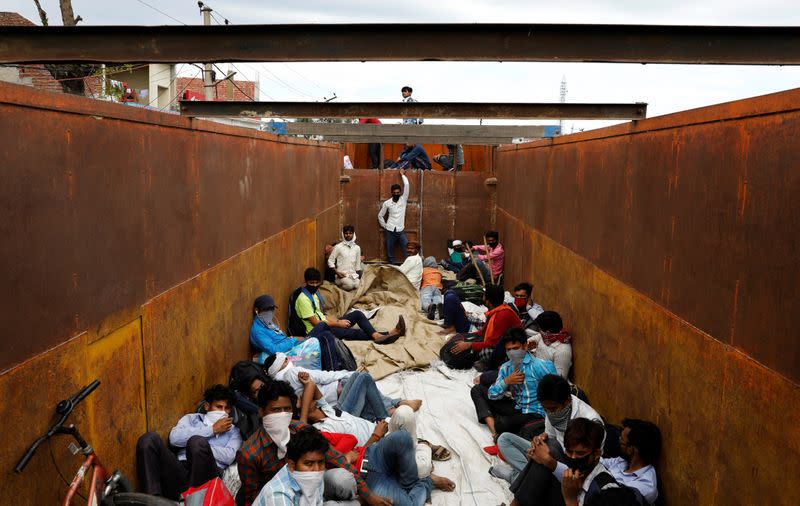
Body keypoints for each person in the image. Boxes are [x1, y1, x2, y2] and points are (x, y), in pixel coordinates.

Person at [300, 379, 455, 504]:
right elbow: (333, 474)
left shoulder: (326, 413)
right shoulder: (313, 436)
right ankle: (425, 479)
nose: (302, 398)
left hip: (375, 449)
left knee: (404, 422)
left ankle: (412, 478)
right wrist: (345, 458)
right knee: (411, 498)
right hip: (369, 479)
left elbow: (350, 439)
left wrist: (344, 456)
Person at [237, 380, 392, 506]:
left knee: (343, 478)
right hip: (284, 497)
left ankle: (360, 500)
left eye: (287, 410)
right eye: (276, 410)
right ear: (262, 412)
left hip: (314, 485)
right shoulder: (250, 453)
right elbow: (253, 497)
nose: (282, 415)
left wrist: (370, 496)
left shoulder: (301, 430)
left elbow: (336, 458)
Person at [136, 385, 242, 500]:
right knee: (149, 440)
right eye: (219, 407)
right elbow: (174, 439)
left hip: (209, 477)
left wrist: (202, 447)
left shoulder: (234, 432)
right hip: (181, 471)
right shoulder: (192, 419)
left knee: (197, 443)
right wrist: (212, 430)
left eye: (226, 408)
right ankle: (154, 500)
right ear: (207, 406)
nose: (223, 412)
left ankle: (192, 501)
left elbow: (229, 456)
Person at [494, 374, 603, 486]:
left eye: (553, 409)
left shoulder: (591, 421)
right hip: (554, 456)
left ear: (567, 401)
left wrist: (549, 461)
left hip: (571, 468)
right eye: (545, 409)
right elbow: (550, 436)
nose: (549, 413)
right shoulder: (552, 409)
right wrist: (540, 440)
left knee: (544, 460)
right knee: (504, 439)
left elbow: (587, 468)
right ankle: (525, 476)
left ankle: (518, 478)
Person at [265, 352, 420, 422]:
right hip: (340, 397)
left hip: (335, 403)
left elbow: (313, 388)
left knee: (363, 386)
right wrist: (345, 373)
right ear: (282, 364)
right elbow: (322, 377)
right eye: (285, 359)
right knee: (361, 378)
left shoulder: (286, 390)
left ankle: (394, 407)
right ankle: (394, 407)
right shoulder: (293, 373)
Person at [470, 328, 557, 439]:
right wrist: (507, 381)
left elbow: (557, 392)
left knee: (504, 424)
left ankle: (504, 429)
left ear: (525, 346)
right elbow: (492, 395)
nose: (512, 353)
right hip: (517, 407)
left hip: (536, 413)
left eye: (516, 348)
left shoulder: (541, 366)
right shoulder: (506, 368)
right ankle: (495, 432)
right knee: (477, 390)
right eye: (509, 350)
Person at [509, 418, 618, 506]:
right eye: (569, 452)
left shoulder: (605, 489)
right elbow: (555, 466)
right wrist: (545, 459)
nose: (573, 458)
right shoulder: (576, 471)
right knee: (549, 448)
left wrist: (570, 499)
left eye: (580, 453)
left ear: (597, 454)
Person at [254, 425, 360, 506]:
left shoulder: (308, 475)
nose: (317, 470)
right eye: (309, 464)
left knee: (343, 479)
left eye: (320, 462)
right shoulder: (278, 496)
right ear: (292, 465)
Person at [295, 268, 405, 345]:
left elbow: (321, 315)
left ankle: (377, 336)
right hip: (318, 331)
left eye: (316, 283)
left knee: (357, 314)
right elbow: (316, 323)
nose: (314, 285)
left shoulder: (313, 294)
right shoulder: (303, 299)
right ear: (305, 282)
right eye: (311, 283)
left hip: (327, 325)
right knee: (352, 333)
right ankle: (389, 334)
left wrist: (336, 321)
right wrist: (338, 324)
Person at [252, 294, 341, 371]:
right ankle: (333, 370)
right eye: (266, 309)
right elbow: (274, 350)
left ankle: (336, 353)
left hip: (292, 343)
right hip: (289, 351)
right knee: (326, 336)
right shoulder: (258, 331)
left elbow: (283, 337)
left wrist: (294, 339)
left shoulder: (267, 323)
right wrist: (294, 340)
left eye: (271, 309)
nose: (270, 312)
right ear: (257, 310)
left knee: (322, 326)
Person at [447, 284, 522, 368]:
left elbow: (494, 344)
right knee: (466, 340)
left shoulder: (502, 315)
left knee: (485, 353)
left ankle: (489, 364)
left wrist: (470, 344)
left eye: (484, 296)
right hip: (500, 344)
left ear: (487, 301)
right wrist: (464, 336)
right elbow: (483, 332)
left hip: (511, 349)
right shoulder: (495, 311)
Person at [599, 419, 661, 504]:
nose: (619, 440)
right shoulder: (622, 462)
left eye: (622, 441)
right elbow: (598, 462)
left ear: (631, 449)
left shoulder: (644, 486)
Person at [527, 311, 573, 380]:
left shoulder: (562, 351)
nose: (539, 331)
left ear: (547, 331)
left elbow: (559, 379)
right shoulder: (544, 337)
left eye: (539, 328)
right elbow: (527, 344)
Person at [378, 170, 409, 264]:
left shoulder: (403, 200)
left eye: (398, 192)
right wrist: (385, 226)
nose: (396, 194)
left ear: (400, 193)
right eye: (394, 192)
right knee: (390, 251)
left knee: (407, 249)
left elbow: (407, 185)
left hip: (400, 230)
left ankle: (408, 266)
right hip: (390, 231)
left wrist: (402, 175)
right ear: (392, 192)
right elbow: (380, 215)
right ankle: (393, 268)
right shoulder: (387, 203)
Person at [328, 225, 362, 291]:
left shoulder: (357, 248)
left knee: (358, 285)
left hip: (353, 275)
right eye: (346, 233)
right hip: (341, 276)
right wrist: (337, 272)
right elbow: (330, 260)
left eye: (350, 233)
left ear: (353, 234)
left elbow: (358, 265)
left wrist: (358, 277)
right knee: (350, 285)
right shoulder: (338, 247)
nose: (348, 235)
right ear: (343, 234)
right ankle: (338, 288)